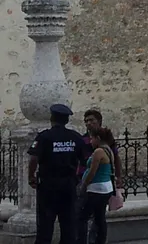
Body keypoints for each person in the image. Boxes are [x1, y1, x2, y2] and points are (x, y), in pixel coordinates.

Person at [27, 102, 85, 244]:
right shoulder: (76, 137)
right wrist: (77, 178)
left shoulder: (44, 137)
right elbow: (84, 161)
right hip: (68, 185)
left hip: (48, 185)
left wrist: (31, 176)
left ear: (52, 119)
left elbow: (34, 158)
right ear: (66, 120)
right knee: (68, 225)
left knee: (45, 226)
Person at [79, 109, 123, 244]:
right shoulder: (83, 139)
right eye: (86, 121)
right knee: (97, 216)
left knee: (87, 216)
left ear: (99, 121)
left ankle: (90, 240)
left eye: (91, 120)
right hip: (95, 183)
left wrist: (119, 177)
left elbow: (115, 158)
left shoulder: (104, 145)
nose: (88, 123)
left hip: (95, 184)